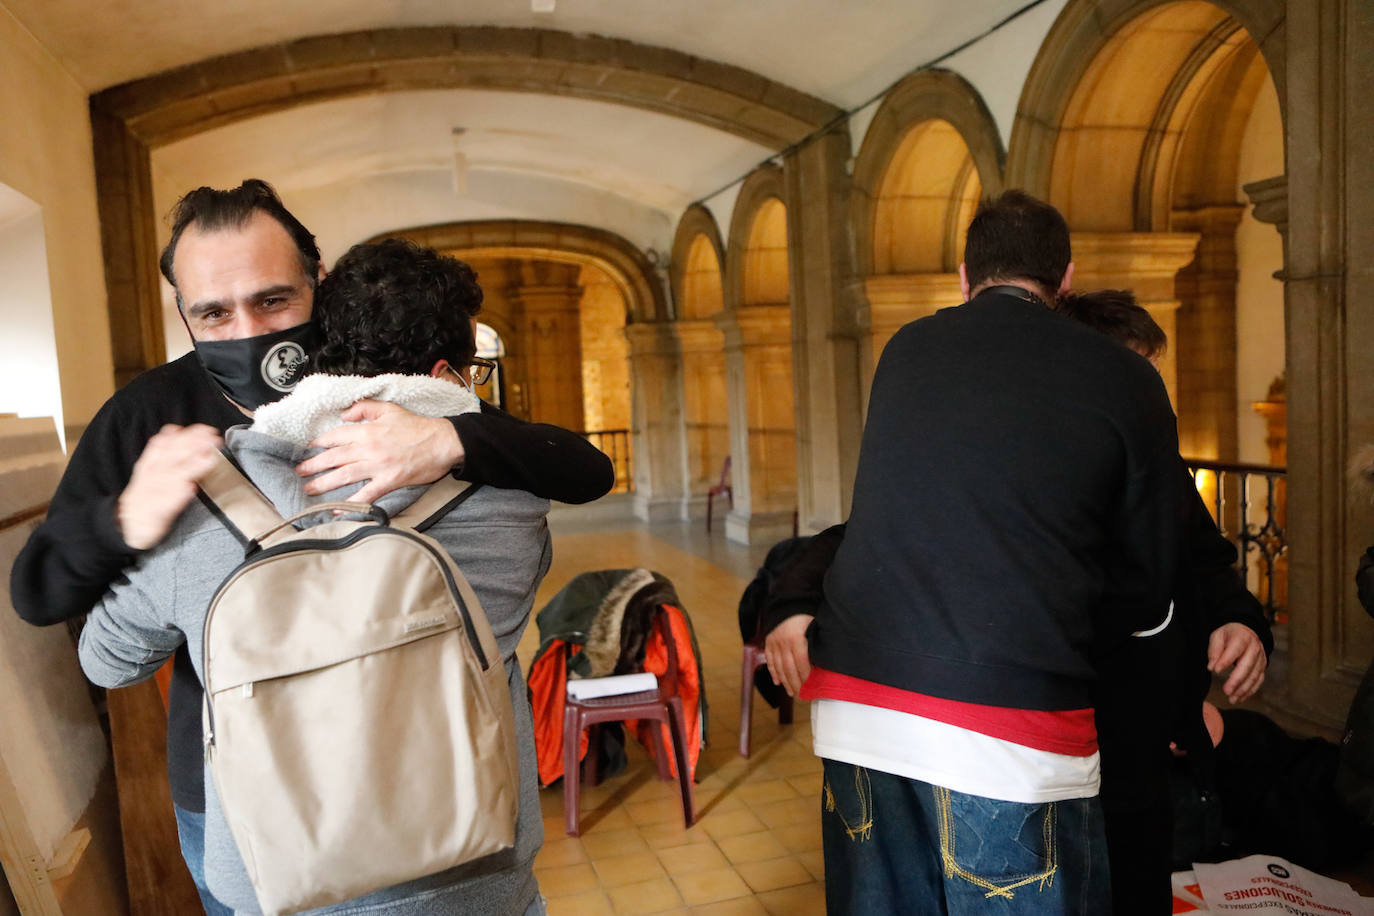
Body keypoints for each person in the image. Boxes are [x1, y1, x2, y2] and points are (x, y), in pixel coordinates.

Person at [11, 180, 612, 912]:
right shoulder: (148, 416)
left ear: (318, 285)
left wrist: (454, 434)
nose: (248, 332)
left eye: (273, 301)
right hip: (246, 787)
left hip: (443, 781)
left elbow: (579, 465)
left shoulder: (370, 363)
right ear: (184, 314)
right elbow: (38, 590)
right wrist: (121, 520)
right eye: (214, 312)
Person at [771, 190, 1183, 913]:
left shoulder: (907, 350)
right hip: (1009, 724)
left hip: (858, 708)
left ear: (965, 276)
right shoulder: (1126, 379)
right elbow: (1147, 590)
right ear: (1066, 280)